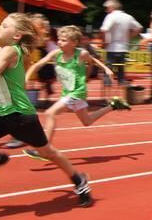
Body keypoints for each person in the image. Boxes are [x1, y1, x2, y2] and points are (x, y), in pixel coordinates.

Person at [0, 13, 92, 207]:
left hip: (20, 115)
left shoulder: (10, 50)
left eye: (5, 25)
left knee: (47, 153)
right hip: (0, 111)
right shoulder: (2, 49)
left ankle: (79, 180)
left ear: (17, 35)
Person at [21, 25, 129, 160]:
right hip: (67, 93)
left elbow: (93, 60)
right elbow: (37, 65)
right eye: (59, 39)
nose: (59, 42)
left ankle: (45, 150)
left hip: (76, 92)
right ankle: (113, 105)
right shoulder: (56, 54)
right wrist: (26, 77)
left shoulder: (81, 54)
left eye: (64, 40)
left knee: (50, 113)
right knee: (87, 121)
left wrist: (106, 69)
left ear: (74, 43)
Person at [100, 0, 142, 86]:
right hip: (123, 48)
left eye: (107, 8)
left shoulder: (110, 16)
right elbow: (139, 28)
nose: (106, 10)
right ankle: (122, 96)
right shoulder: (128, 17)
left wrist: (105, 42)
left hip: (112, 48)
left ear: (112, 7)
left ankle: (107, 95)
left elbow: (103, 30)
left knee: (108, 72)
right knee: (121, 75)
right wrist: (129, 36)